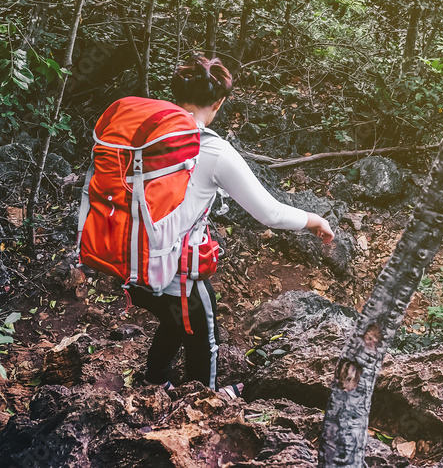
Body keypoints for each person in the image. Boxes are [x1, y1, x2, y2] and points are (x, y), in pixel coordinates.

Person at [127, 55, 334, 397]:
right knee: (204, 334)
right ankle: (203, 403)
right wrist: (314, 220)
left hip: (128, 260)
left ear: (176, 94)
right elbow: (269, 213)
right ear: (219, 102)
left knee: (176, 319)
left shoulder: (141, 133)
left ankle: (155, 379)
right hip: (173, 270)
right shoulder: (212, 150)